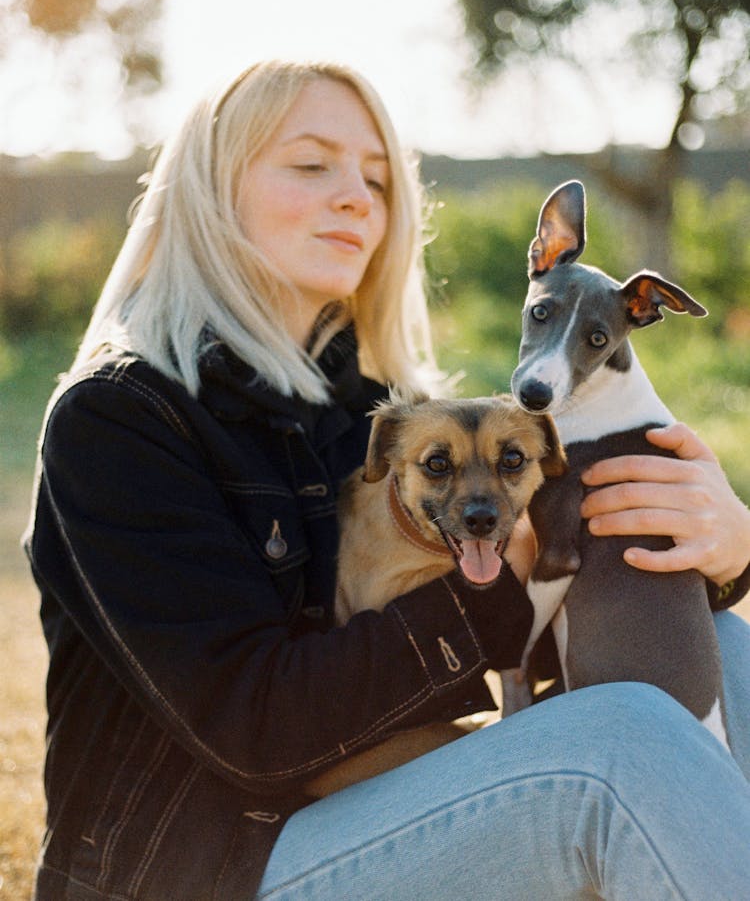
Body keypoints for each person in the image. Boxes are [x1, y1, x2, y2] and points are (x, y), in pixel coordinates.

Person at [25, 59, 750, 901]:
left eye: (377, 177)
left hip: (376, 808)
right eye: (311, 163)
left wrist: (723, 551)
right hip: (211, 869)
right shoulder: (120, 421)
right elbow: (253, 730)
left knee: (724, 650)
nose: (357, 198)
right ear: (209, 189)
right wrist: (504, 578)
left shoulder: (370, 412)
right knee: (618, 748)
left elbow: (576, 633)